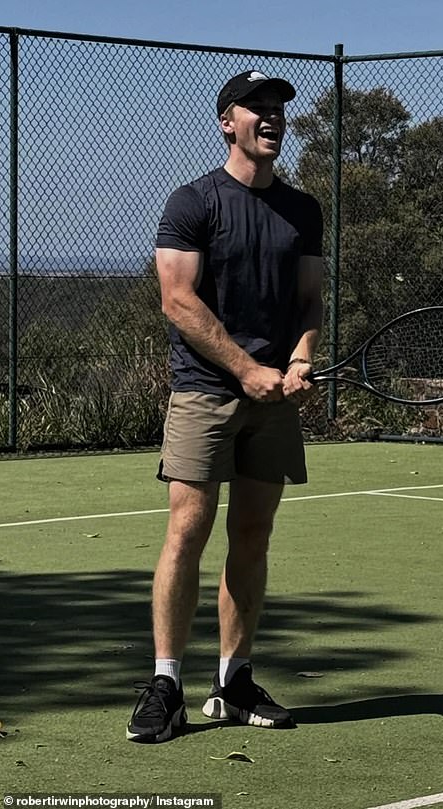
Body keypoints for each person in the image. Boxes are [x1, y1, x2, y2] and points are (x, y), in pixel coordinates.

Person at [126, 70, 324, 743]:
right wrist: (245, 368)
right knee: (188, 529)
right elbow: (177, 299)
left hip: (272, 400)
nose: (272, 119)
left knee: (254, 534)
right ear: (226, 121)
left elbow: (309, 300)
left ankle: (233, 682)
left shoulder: (304, 210)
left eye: (278, 111)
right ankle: (166, 684)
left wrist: (297, 361)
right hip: (205, 392)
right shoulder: (193, 202)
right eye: (258, 109)